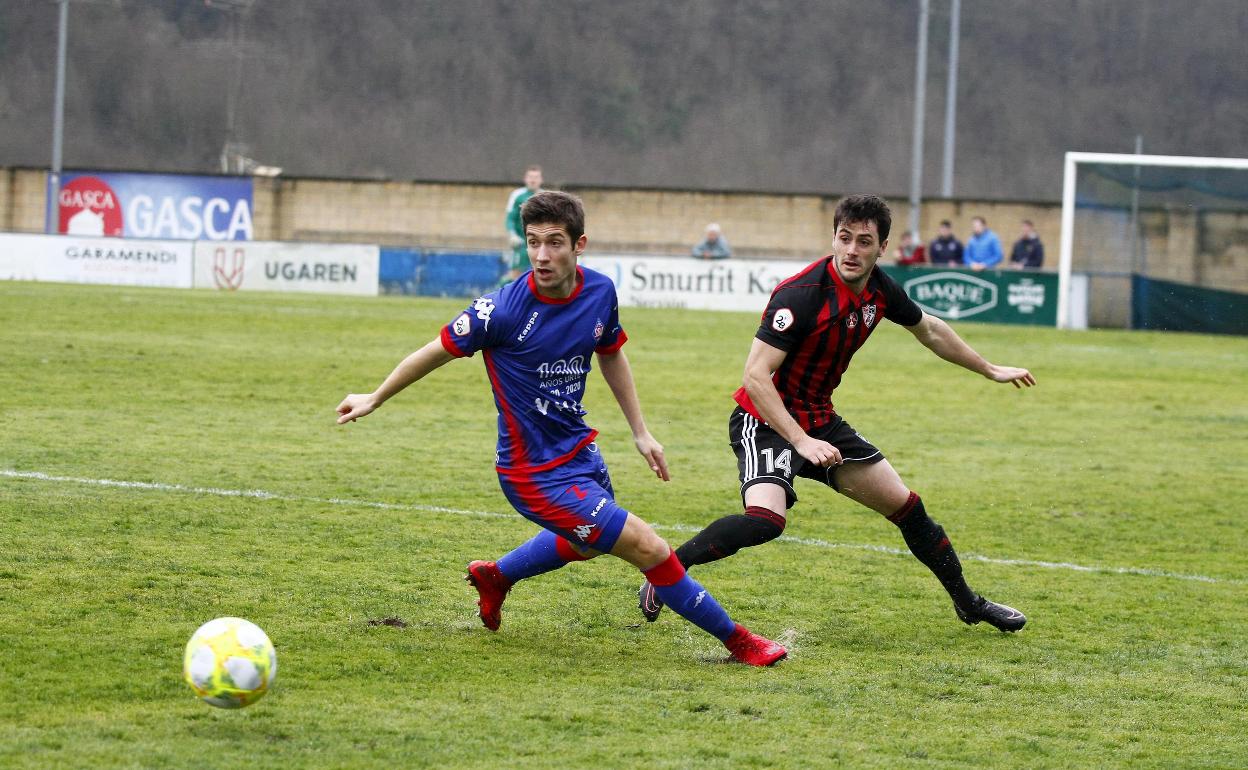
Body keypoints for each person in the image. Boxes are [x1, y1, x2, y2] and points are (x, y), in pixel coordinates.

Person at [337, 191, 787, 667]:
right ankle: (740, 643)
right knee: (650, 547)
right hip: (531, 474)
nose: (541, 255)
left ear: (579, 245)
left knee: (583, 544)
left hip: (578, 453)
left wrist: (640, 431)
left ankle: (497, 576)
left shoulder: (599, 292)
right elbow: (436, 349)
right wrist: (375, 396)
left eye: (554, 242)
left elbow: (610, 351)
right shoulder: (502, 311)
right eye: (533, 242)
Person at [638, 194, 1035, 634]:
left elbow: (931, 330)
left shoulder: (880, 290)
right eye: (844, 238)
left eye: (863, 242)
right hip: (764, 421)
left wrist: (989, 368)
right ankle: (667, 570)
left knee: (908, 508)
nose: (851, 250)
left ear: (882, 247)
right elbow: (755, 378)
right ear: (833, 238)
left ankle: (969, 604)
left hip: (820, 419)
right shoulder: (801, 296)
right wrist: (800, 441)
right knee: (766, 521)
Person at [503, 165, 544, 283]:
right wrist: (512, 235)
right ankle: (503, 296)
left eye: (536, 177)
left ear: (541, 180)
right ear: (525, 179)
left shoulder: (545, 196)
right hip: (521, 243)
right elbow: (510, 218)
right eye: (530, 177)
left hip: (540, 243)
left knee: (540, 274)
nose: (533, 180)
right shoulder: (517, 195)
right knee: (515, 275)